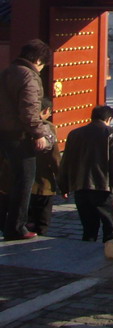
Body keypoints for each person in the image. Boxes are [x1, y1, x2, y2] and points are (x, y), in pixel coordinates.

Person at [0, 39, 51, 240]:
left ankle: (8, 223)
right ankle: (17, 226)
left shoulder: (7, 71)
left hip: (3, 132)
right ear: (38, 60)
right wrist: (39, 133)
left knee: (10, 180)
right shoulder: (28, 77)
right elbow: (30, 112)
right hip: (19, 135)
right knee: (24, 181)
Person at [60, 104, 113, 242]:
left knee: (88, 228)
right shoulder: (111, 133)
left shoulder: (74, 134)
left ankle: (86, 253)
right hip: (103, 187)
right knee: (110, 227)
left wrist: (64, 185)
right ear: (108, 119)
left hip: (80, 186)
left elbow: (66, 161)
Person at [28, 97, 61, 236]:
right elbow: (54, 158)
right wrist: (62, 181)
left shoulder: (20, 125)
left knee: (26, 218)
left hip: (22, 183)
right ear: (46, 110)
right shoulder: (48, 127)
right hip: (43, 183)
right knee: (42, 220)